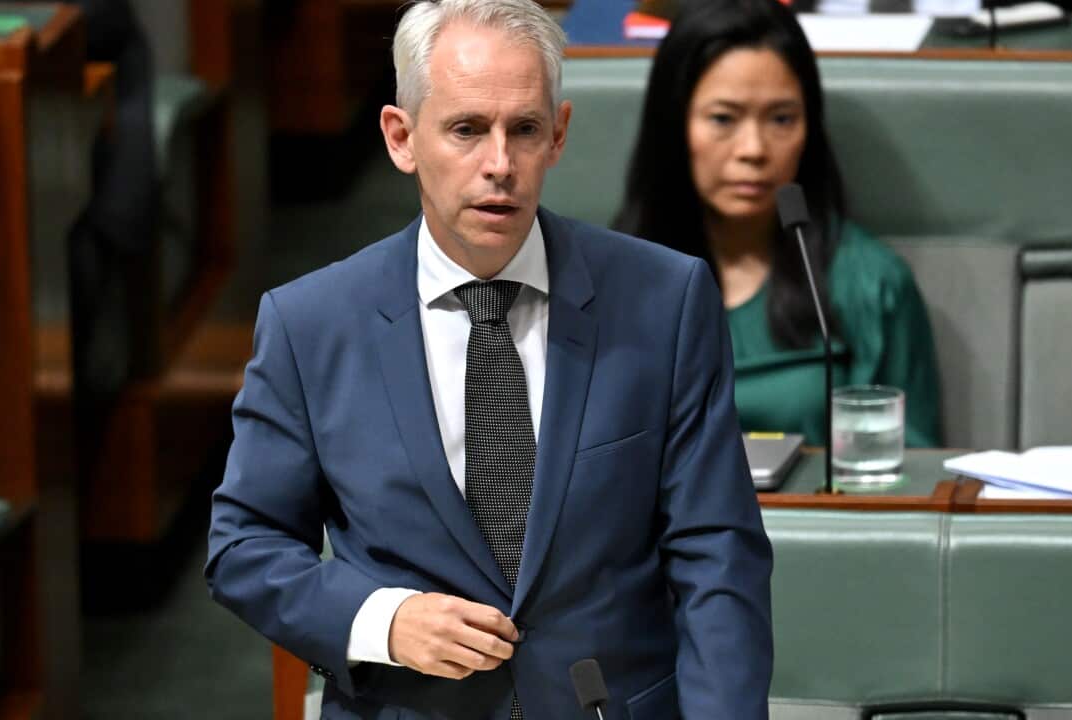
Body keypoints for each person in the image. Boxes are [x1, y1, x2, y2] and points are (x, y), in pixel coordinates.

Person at [206, 1, 772, 717]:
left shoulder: (664, 300)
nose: (499, 164)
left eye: (525, 130)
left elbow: (717, 554)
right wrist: (384, 621)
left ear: (559, 135)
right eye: (467, 129)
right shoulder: (310, 324)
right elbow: (244, 547)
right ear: (401, 137)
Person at [615, 0, 941, 447]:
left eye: (782, 119)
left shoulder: (872, 284)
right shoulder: (613, 281)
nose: (754, 149)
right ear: (674, 127)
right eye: (723, 119)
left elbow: (912, 477)